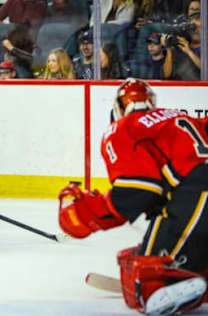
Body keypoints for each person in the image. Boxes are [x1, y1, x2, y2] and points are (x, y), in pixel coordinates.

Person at [58, 78, 208, 315]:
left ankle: (184, 283)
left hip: (197, 195)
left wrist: (86, 212)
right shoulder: (179, 118)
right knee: (154, 247)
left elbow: (140, 191)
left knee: (148, 280)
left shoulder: (125, 127)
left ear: (119, 107)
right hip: (192, 193)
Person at [161, 11, 200, 81]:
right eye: (191, 21)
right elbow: (166, 75)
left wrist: (189, 52)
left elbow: (205, 70)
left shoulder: (203, 49)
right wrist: (168, 49)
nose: (194, 29)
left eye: (197, 19)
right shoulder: (180, 47)